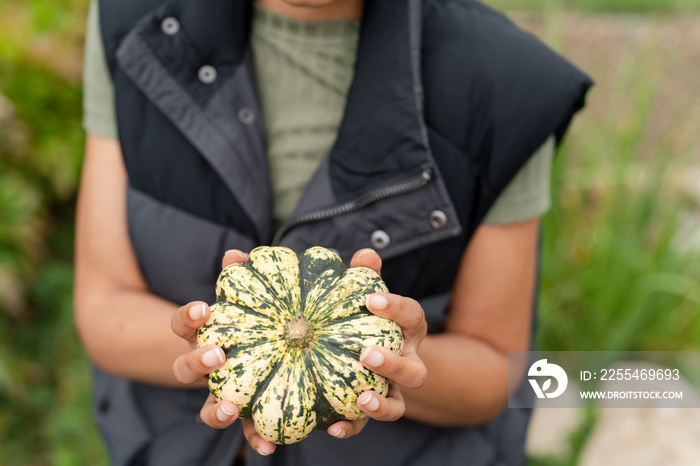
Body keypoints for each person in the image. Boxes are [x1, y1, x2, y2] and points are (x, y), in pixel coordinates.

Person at [74, 0, 592, 464]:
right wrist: (230, 351)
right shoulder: (135, 18)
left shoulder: (505, 82)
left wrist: (377, 356)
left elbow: (496, 371)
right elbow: (104, 307)